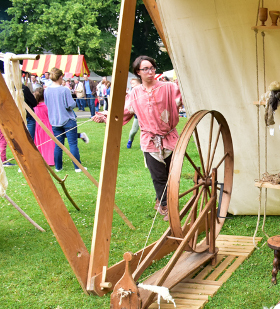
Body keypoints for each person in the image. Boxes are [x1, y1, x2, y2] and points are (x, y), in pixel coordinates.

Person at [93, 56, 182, 220]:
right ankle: (166, 206)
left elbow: (185, 96)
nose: (150, 71)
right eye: (146, 69)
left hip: (170, 138)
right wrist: (104, 117)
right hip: (149, 141)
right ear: (138, 72)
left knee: (172, 175)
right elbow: (122, 113)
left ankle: (162, 200)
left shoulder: (169, 87)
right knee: (158, 177)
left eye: (152, 68)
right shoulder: (134, 94)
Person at [44, 67, 88, 172]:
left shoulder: (46, 91)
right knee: (73, 144)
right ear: (60, 77)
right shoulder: (64, 89)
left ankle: (58, 167)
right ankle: (77, 167)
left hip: (54, 121)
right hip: (68, 120)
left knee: (58, 145)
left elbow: (47, 104)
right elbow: (71, 105)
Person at [32, 88, 55, 165]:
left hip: (38, 126)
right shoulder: (47, 106)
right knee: (49, 143)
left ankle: (42, 158)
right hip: (48, 125)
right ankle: (50, 160)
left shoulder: (34, 107)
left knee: (40, 142)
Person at [126, 78, 141, 149]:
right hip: (137, 115)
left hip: (145, 116)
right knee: (133, 131)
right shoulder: (132, 93)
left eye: (133, 83)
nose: (132, 85)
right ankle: (130, 141)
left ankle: (143, 144)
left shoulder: (144, 91)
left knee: (145, 131)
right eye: (131, 84)